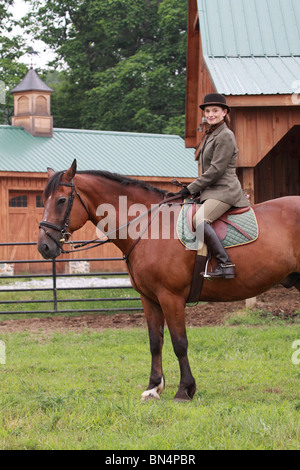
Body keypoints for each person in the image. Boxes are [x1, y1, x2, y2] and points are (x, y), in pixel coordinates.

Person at [173, 93, 249, 279]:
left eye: (215, 110)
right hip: (212, 191)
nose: (211, 114)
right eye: (208, 111)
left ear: (224, 112)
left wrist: (190, 188)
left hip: (224, 191)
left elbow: (216, 170)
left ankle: (225, 264)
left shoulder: (225, 135)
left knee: (199, 221)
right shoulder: (211, 134)